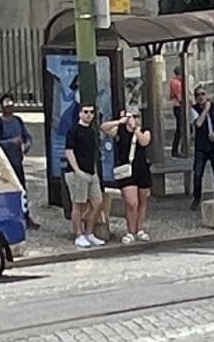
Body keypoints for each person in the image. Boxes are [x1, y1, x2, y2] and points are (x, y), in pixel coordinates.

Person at [0, 94, 40, 230]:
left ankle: (25, 215)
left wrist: (28, 143)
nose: (10, 107)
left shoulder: (18, 120)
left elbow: (26, 136)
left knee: (22, 190)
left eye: (11, 104)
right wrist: (12, 142)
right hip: (4, 164)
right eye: (6, 104)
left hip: (18, 161)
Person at [103, 109, 153, 243]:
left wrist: (135, 128)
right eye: (131, 116)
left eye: (136, 116)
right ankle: (130, 231)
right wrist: (120, 121)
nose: (133, 118)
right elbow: (104, 128)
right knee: (132, 202)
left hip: (142, 169)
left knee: (142, 203)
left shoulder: (145, 130)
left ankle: (140, 229)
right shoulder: (119, 131)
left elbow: (144, 142)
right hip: (126, 171)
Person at [64, 102, 105, 250]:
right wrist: (77, 170)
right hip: (77, 172)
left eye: (91, 112)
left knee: (97, 203)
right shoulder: (73, 131)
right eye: (86, 112)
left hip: (91, 172)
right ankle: (79, 235)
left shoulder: (92, 132)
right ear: (80, 113)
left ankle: (89, 232)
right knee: (78, 204)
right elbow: (69, 151)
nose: (89, 115)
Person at [189, 87, 214, 209]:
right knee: (198, 173)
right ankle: (196, 197)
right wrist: (205, 110)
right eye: (197, 95)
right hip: (201, 146)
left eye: (202, 94)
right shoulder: (193, 109)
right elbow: (198, 123)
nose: (200, 97)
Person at [169, 66, 185, 158]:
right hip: (179, 107)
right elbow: (180, 97)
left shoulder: (174, 82)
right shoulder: (176, 83)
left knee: (181, 128)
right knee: (180, 129)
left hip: (178, 106)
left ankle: (179, 148)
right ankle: (176, 149)